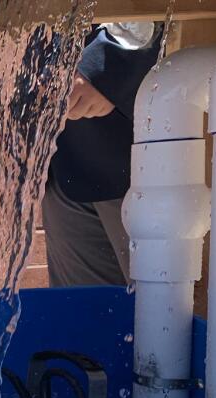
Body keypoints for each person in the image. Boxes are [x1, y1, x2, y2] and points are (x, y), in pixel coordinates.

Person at [44, 22, 162, 287]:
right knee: (82, 318)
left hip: (139, 143)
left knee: (169, 314)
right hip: (59, 158)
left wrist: (108, 65)